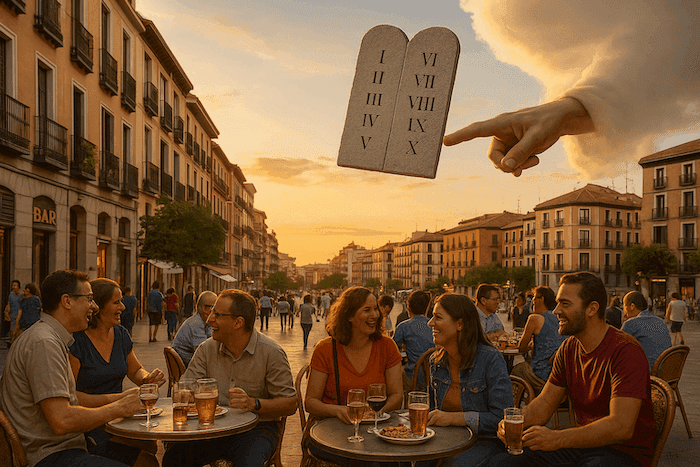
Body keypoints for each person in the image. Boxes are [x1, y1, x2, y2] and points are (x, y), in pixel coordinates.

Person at [487, 272, 655, 467]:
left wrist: (556, 438)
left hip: (623, 452)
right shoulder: (569, 348)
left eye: (565, 304)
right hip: (582, 445)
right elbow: (544, 404)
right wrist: (516, 421)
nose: (556, 311)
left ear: (591, 308)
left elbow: (621, 427)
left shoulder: (626, 351)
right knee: (502, 462)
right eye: (558, 303)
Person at [0, 269, 144, 467]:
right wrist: (119, 407)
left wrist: (121, 401)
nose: (94, 307)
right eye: (89, 299)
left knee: (145, 459)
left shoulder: (52, 338)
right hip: (50, 456)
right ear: (67, 301)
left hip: (71, 446)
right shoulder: (44, 343)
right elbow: (62, 421)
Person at [162, 289, 297, 467]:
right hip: (214, 427)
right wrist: (186, 396)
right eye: (211, 312)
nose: (209, 319)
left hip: (257, 429)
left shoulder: (271, 352)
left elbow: (290, 404)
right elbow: (185, 387)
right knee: (174, 458)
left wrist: (254, 403)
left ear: (238, 322)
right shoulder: (206, 349)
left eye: (217, 314)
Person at [69, 278, 164, 467]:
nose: (123, 307)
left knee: (150, 445)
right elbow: (71, 396)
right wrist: (119, 399)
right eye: (116, 302)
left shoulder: (120, 334)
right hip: (89, 424)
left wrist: (146, 378)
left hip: (119, 419)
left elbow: (135, 369)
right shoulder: (77, 341)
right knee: (148, 461)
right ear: (98, 307)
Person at [305, 287, 404, 464]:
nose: (375, 314)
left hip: (375, 429)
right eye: (367, 310)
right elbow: (311, 402)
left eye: (376, 309)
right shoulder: (326, 349)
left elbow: (397, 395)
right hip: (332, 430)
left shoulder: (387, 347)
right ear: (349, 316)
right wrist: (338, 410)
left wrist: (376, 413)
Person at [426, 293, 513, 467]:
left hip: (483, 441)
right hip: (444, 439)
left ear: (460, 324)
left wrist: (452, 418)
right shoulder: (437, 362)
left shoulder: (490, 359)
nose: (430, 323)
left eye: (438, 317)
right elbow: (434, 414)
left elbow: (502, 419)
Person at [511, 286, 566, 393]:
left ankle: (514, 406)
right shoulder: (560, 317)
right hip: (561, 374)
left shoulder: (534, 318)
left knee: (517, 370)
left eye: (535, 298)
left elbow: (521, 348)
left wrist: (528, 346)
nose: (532, 301)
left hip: (542, 374)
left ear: (542, 299)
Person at [392, 290, 434, 391]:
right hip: (435, 377)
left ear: (408, 307)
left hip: (413, 378)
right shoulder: (435, 326)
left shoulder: (403, 326)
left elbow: (391, 350)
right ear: (427, 307)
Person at [621, 291, 672, 372]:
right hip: (667, 370)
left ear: (632, 306)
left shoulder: (631, 323)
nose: (623, 309)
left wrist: (624, 323)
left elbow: (617, 348)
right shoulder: (660, 321)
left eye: (623, 305)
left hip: (646, 372)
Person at [172, 291, 216, 368]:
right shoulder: (195, 323)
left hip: (191, 361)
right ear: (204, 308)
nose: (216, 313)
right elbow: (203, 351)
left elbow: (211, 341)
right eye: (214, 308)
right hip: (187, 364)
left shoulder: (205, 322)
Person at [3, 279, 21, 345]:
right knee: (12, 331)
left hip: (20, 317)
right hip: (13, 316)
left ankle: (13, 344)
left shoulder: (21, 296)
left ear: (18, 286)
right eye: (12, 285)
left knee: (16, 332)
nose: (13, 287)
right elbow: (9, 304)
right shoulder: (11, 295)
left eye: (15, 285)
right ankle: (12, 343)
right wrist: (6, 313)